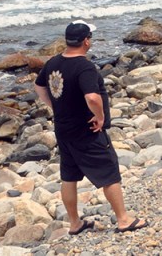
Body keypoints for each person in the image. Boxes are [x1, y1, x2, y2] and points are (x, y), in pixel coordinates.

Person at [33, 20, 148, 235]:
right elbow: (93, 97)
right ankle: (123, 220)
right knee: (109, 171)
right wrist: (100, 116)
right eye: (90, 38)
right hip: (86, 129)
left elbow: (39, 86)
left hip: (63, 128)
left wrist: (54, 106)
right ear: (86, 41)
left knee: (69, 176)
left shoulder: (53, 62)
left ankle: (75, 223)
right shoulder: (84, 66)